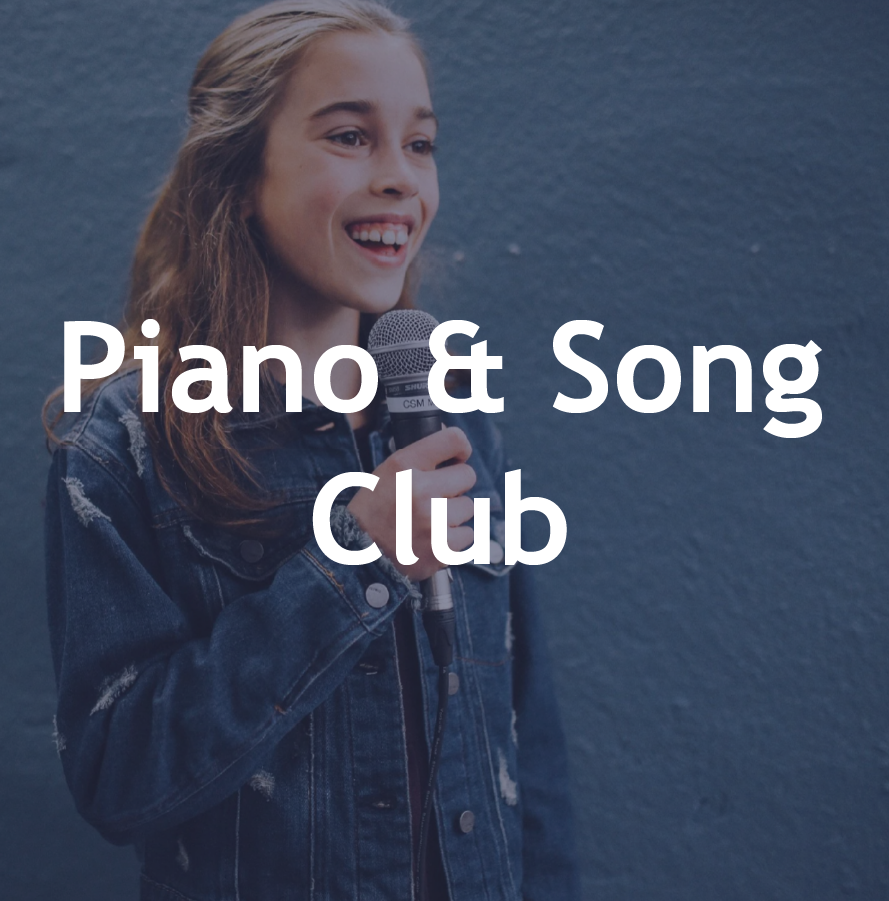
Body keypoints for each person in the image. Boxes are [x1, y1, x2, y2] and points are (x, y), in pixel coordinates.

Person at [43, 2, 580, 898]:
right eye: (348, 137)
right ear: (238, 170)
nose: (399, 178)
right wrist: (356, 561)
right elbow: (117, 774)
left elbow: (527, 743)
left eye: (420, 144)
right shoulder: (127, 445)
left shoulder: (458, 422)